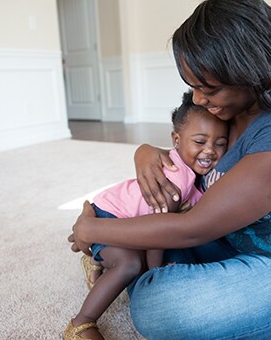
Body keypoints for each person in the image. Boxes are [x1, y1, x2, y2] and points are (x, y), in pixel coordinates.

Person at [68, 0, 271, 339]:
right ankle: (129, 265)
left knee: (160, 308)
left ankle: (125, 267)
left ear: (251, 70)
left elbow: (195, 227)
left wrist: (91, 229)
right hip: (230, 242)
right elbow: (194, 152)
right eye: (192, 86)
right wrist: (144, 150)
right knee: (150, 237)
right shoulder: (231, 105)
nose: (198, 98)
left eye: (208, 87)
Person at [64, 91, 228, 340]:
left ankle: (95, 261)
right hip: (110, 215)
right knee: (131, 265)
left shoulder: (194, 178)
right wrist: (155, 271)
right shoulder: (177, 179)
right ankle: (80, 324)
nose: (210, 151)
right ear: (176, 140)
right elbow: (158, 233)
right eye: (200, 141)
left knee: (141, 261)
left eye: (220, 143)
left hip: (123, 216)